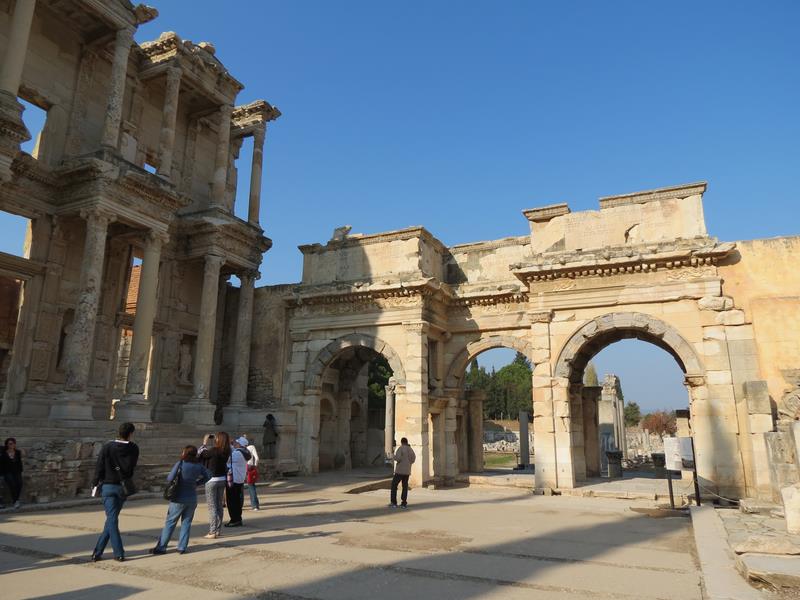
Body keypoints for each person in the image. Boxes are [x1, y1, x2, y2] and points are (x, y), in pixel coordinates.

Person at [91, 422, 139, 562]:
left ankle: (118, 552)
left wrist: (95, 483)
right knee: (112, 519)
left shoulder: (107, 447)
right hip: (122, 487)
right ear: (131, 433)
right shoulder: (134, 448)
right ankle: (98, 552)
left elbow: (99, 466)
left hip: (108, 486)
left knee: (111, 519)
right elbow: (131, 469)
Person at [150, 445, 211, 555]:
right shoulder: (198, 466)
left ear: (185, 453)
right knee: (186, 523)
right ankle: (182, 547)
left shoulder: (181, 464)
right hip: (192, 498)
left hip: (178, 498)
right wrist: (197, 483)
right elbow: (209, 475)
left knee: (170, 522)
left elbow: (170, 478)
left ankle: (161, 547)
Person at [199, 431, 230, 539]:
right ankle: (217, 530)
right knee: (219, 506)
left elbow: (202, 454)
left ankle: (212, 531)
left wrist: (204, 442)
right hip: (222, 479)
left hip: (212, 480)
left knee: (212, 507)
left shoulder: (214, 450)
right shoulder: (227, 451)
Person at [225, 436, 250, 527]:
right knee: (237, 500)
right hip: (240, 479)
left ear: (240, 444)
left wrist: (227, 445)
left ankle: (234, 519)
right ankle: (238, 518)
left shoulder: (237, 453)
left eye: (237, 443)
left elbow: (227, 461)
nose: (235, 444)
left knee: (231, 501)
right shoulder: (245, 452)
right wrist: (231, 444)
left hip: (233, 480)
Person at [389, 437, 415, 509]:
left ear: (401, 442)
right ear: (407, 442)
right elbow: (413, 459)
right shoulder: (410, 449)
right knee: (405, 487)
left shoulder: (400, 449)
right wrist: (408, 463)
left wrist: (393, 456)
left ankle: (393, 502)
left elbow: (398, 458)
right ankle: (404, 503)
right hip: (407, 471)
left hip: (399, 471)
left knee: (394, 485)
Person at [0, 437, 23, 509]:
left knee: (20, 484)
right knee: (12, 484)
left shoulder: (18, 452)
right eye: (9, 444)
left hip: (17, 471)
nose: (11, 445)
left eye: (13, 443)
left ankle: (16, 500)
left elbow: (19, 462)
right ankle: (15, 501)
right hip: (7, 472)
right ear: (7, 445)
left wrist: (20, 471)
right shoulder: (4, 453)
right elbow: (2, 464)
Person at [243, 435, 260, 511]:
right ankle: (255, 505)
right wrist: (255, 466)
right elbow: (257, 458)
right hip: (250, 467)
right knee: (251, 486)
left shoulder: (240, 448)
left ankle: (240, 505)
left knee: (240, 487)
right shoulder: (251, 447)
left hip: (242, 467)